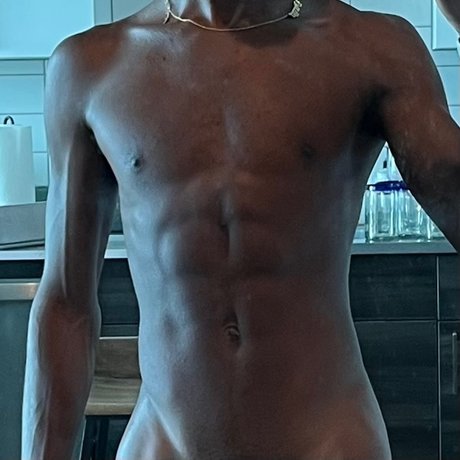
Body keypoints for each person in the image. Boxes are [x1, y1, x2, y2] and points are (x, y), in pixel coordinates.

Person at [22, 0, 460, 459]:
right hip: (165, 444)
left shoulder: (373, 48)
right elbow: (66, 305)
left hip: (328, 443)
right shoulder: (90, 66)